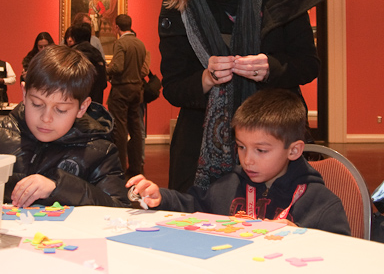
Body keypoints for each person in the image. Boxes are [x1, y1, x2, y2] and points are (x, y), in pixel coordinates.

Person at [159, 0, 328, 192]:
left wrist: (269, 69)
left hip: (274, 140)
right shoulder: (179, 3)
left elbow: (308, 65)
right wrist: (206, 78)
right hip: (199, 147)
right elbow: (173, 88)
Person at [127, 89, 351, 236]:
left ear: (293, 150)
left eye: (261, 150)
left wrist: (302, 236)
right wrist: (161, 197)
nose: (247, 159)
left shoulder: (320, 203)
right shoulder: (227, 187)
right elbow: (192, 207)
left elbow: (344, 254)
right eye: (241, 147)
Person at [0, 45, 130, 208]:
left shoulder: (99, 153)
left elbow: (117, 208)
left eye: (61, 109)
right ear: (24, 94)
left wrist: (60, 187)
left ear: (82, 107)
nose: (46, 118)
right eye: (37, 104)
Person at [107, 14, 148, 178]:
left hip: (121, 89)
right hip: (137, 89)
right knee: (136, 128)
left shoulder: (120, 43)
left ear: (117, 27)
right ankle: (136, 166)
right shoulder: (140, 43)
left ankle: (120, 167)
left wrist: (104, 69)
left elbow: (117, 66)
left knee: (120, 129)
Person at [71, 22, 107, 104]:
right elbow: (103, 83)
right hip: (95, 103)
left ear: (74, 37)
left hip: (77, 102)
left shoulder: (72, 55)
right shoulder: (97, 54)